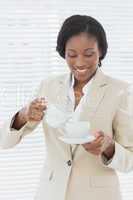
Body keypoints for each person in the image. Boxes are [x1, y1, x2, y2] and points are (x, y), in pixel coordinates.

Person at [1, 14, 133, 200]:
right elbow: (3, 141)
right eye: (72, 55)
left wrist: (109, 147)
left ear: (101, 51)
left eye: (88, 54)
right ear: (63, 52)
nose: (80, 62)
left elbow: (130, 160)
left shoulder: (120, 91)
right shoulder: (48, 86)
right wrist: (23, 115)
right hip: (50, 193)